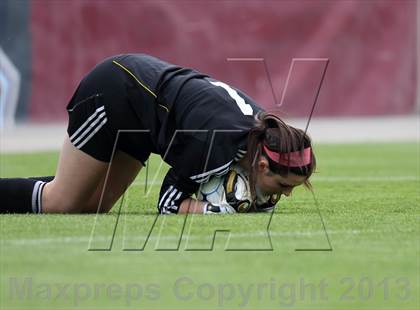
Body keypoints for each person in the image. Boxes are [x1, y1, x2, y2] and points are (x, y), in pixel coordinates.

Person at [0, 54, 316, 215]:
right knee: (62, 202)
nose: (286, 194)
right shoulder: (213, 144)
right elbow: (168, 204)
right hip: (113, 93)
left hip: (142, 116)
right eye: (284, 184)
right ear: (262, 165)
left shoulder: (261, 132)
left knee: (94, 205)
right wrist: (213, 210)